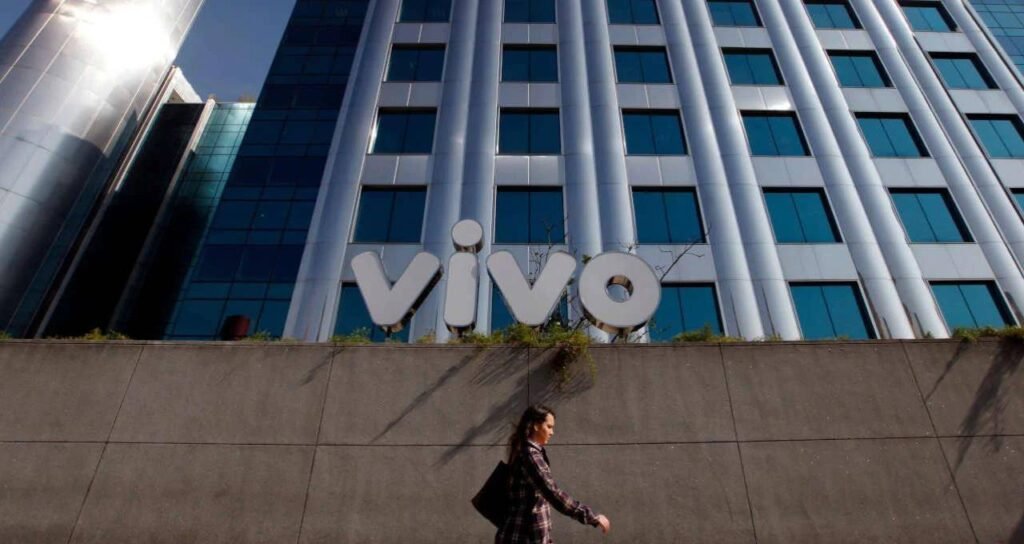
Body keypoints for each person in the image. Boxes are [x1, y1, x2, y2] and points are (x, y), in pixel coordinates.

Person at [496, 405, 611, 544]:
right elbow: (552, 492)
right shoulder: (531, 455)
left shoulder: (528, 452)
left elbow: (537, 501)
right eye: (549, 427)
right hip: (522, 536)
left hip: (529, 534)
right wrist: (591, 517)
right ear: (536, 426)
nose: (552, 432)